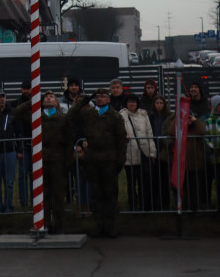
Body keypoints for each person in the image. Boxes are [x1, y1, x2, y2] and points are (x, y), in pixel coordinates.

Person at [14, 91, 73, 233]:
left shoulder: (63, 118)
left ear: (57, 102)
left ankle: (58, 225)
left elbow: (69, 140)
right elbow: (18, 112)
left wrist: (68, 160)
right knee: (42, 194)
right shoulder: (36, 117)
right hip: (41, 161)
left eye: (51, 96)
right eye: (45, 97)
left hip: (58, 160)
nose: (48, 98)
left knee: (58, 195)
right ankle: (44, 223)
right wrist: (34, 100)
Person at [70, 88, 127, 237]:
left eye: (103, 96)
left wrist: (120, 160)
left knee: (110, 194)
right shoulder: (90, 114)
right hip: (93, 159)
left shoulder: (114, 116)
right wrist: (86, 99)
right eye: (98, 96)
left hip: (109, 159)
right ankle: (99, 225)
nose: (100, 99)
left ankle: (110, 226)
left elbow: (121, 139)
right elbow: (72, 114)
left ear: (108, 99)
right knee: (96, 194)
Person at [120, 93, 157, 211]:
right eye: (129, 101)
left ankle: (144, 205)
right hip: (129, 154)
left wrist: (152, 153)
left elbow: (149, 134)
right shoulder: (121, 116)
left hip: (143, 153)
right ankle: (133, 205)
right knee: (131, 183)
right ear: (126, 104)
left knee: (143, 182)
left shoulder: (143, 115)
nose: (132, 104)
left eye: (134, 101)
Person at [0, 90, 18, 213]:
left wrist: (19, 149)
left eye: (3, 97)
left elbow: (18, 129)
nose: (2, 99)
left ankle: (8, 206)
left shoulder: (12, 112)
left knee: (9, 182)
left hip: (10, 151)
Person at [148, 94, 171, 210]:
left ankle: (165, 202)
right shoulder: (150, 117)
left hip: (165, 149)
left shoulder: (168, 117)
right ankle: (155, 202)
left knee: (165, 178)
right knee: (154, 178)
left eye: (161, 103)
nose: (159, 105)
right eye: (157, 103)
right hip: (154, 148)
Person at [12, 80, 32, 208]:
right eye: (24, 88)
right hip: (23, 143)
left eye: (28, 88)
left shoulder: (38, 103)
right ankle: (24, 202)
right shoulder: (16, 104)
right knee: (23, 174)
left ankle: (36, 200)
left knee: (35, 174)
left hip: (36, 143)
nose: (26, 91)